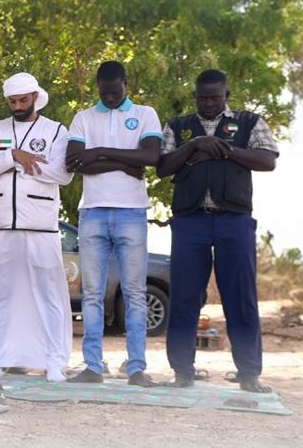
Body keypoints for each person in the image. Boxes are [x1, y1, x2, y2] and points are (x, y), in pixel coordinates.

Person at [157, 69, 279, 393]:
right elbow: (163, 167)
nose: (209, 103)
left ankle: (249, 375)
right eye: (203, 98)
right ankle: (182, 372)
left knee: (240, 297)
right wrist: (195, 144)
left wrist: (225, 149)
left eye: (215, 97)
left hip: (234, 221)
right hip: (189, 221)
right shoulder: (178, 127)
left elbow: (268, 160)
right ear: (194, 97)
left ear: (227, 96)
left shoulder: (249, 122)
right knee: (184, 298)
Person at [0, 72, 73, 382]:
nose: (17, 106)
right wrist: (13, 156)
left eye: (22, 100)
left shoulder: (55, 131)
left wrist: (24, 164)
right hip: (0, 225)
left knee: (48, 294)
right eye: (12, 101)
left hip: (40, 225)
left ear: (35, 97)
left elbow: (63, 174)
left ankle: (54, 361)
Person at [64, 61, 161, 387]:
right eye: (104, 92)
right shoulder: (83, 118)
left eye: (115, 92)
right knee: (92, 293)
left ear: (125, 84)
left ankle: (136, 368)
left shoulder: (145, 114)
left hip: (132, 212)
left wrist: (100, 152)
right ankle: (93, 366)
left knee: (135, 292)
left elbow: (151, 157)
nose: (109, 97)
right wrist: (126, 162)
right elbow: (74, 162)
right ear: (97, 87)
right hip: (92, 212)